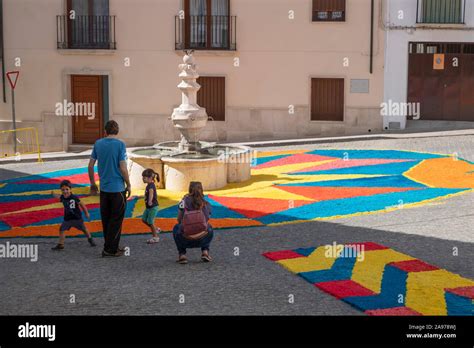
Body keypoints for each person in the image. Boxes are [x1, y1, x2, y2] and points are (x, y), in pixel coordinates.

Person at [88, 120, 131, 258]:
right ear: (117, 131)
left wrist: (92, 183)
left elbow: (90, 165)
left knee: (106, 219)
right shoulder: (120, 145)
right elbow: (123, 168)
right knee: (116, 220)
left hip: (104, 189)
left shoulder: (98, 143)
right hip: (118, 189)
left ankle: (110, 246)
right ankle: (110, 250)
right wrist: (128, 183)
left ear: (105, 131)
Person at [172, 181, 214, 264]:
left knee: (176, 227)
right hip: (202, 237)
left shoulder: (183, 202)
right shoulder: (205, 203)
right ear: (201, 190)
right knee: (209, 227)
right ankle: (205, 252)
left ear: (189, 189)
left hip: (185, 237)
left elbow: (179, 219)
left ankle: (182, 255)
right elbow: (207, 219)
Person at [51, 180, 96, 250]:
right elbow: (58, 197)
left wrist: (87, 213)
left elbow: (82, 204)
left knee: (84, 229)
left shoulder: (74, 197)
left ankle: (90, 239)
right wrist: (53, 194)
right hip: (67, 219)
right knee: (62, 229)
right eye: (63, 190)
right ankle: (61, 244)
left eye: (67, 189)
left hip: (77, 218)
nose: (65, 191)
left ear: (70, 189)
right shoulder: (63, 197)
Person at [141, 169, 161, 244]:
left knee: (150, 221)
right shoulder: (149, 185)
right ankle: (156, 229)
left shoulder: (151, 185)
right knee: (144, 219)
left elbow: (151, 193)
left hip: (153, 207)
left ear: (150, 178)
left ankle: (155, 237)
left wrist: (150, 201)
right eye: (142, 177)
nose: (143, 179)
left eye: (144, 177)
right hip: (149, 207)